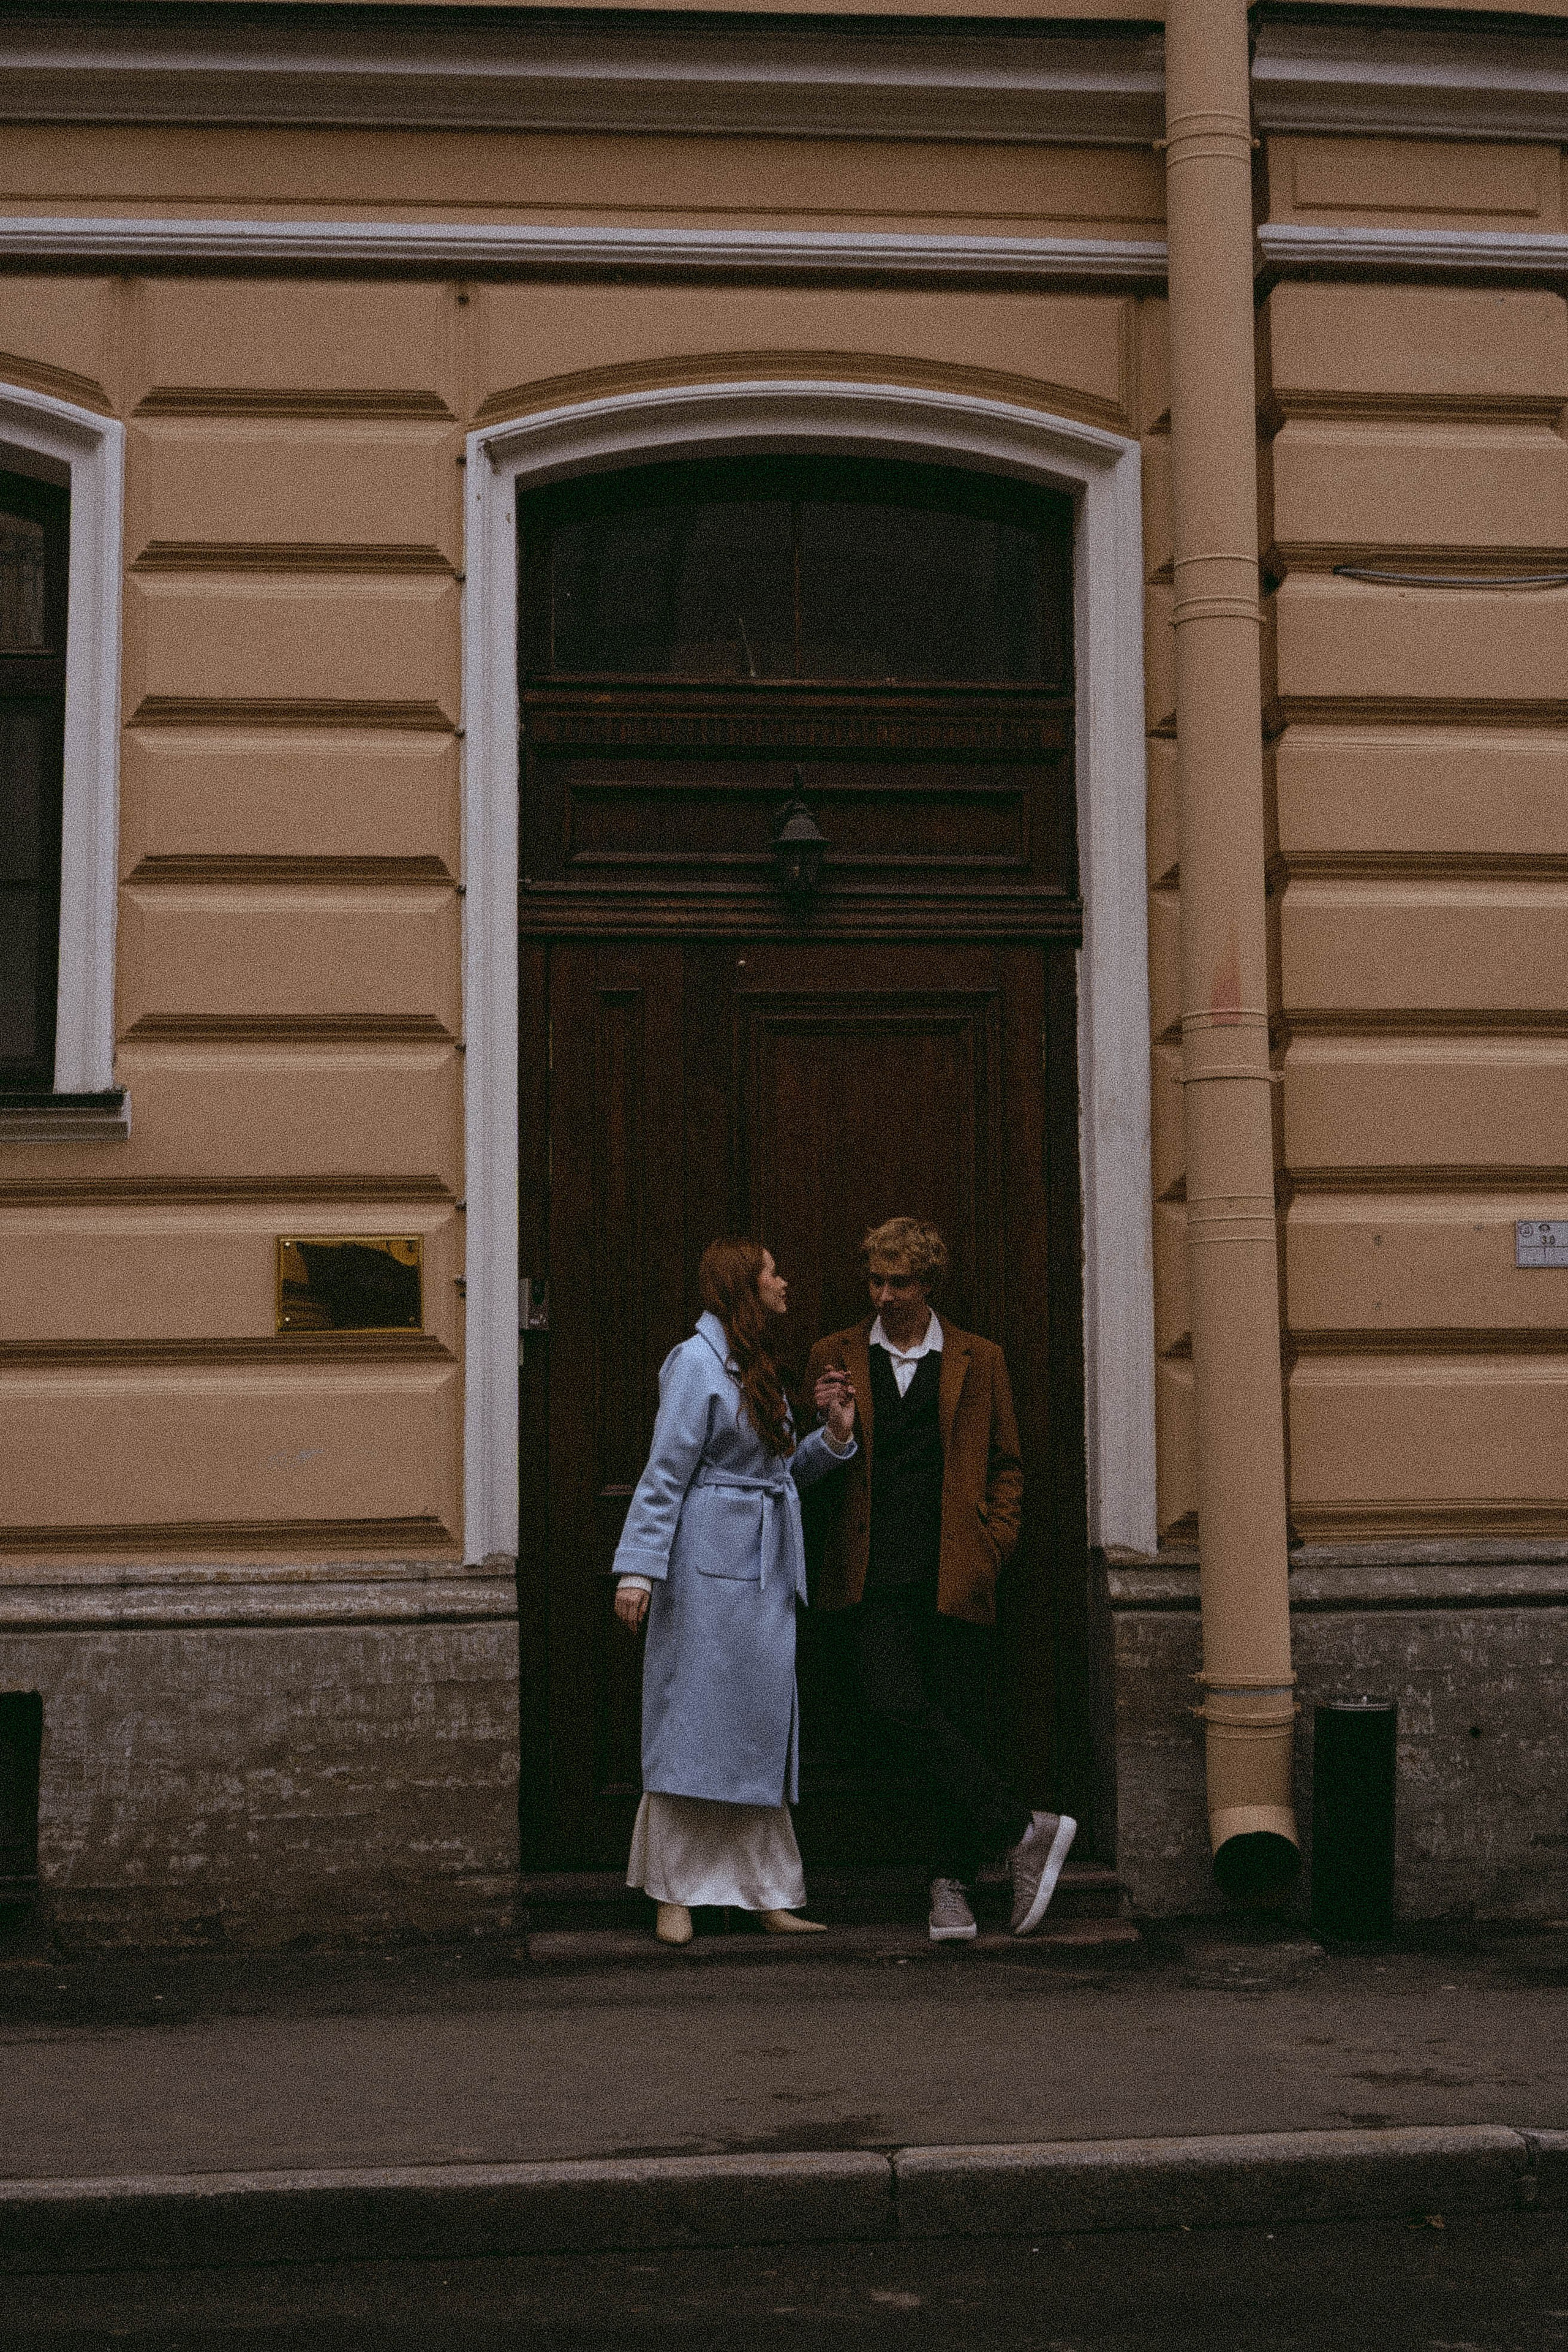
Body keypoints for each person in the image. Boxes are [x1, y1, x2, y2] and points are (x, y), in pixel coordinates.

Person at [805, 1215, 1076, 1942]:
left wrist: (995, 1542)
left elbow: (1007, 1463)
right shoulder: (833, 1355)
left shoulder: (977, 1358)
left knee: (957, 1724)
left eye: (899, 1282)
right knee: (892, 1705)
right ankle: (1023, 1829)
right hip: (870, 1572)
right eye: (875, 1281)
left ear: (927, 1284)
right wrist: (834, 1426)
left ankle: (949, 1887)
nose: (884, 1294)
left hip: (955, 1570)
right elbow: (809, 1475)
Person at [613, 1236, 858, 1946]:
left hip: (763, 1573)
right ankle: (673, 1894)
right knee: (692, 1724)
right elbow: (666, 1472)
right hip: (705, 1570)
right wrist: (638, 1569)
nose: (785, 1283)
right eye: (772, 1274)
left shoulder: (756, 1366)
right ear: (744, 1289)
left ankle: (765, 1891)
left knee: (754, 1732)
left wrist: (832, 1438)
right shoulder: (695, 1363)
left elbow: (776, 1474)